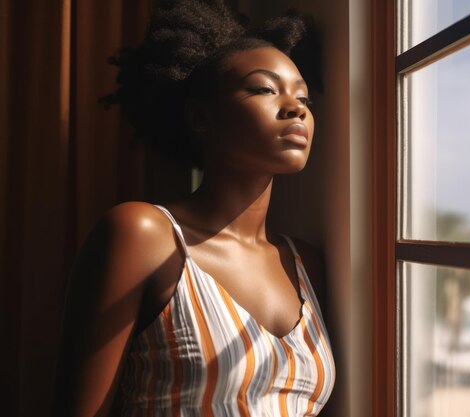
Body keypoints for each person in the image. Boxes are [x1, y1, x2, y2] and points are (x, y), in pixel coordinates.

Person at [52, 1, 335, 416]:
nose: (295, 108)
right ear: (201, 117)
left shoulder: (306, 262)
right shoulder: (142, 234)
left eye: (304, 97)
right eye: (264, 88)